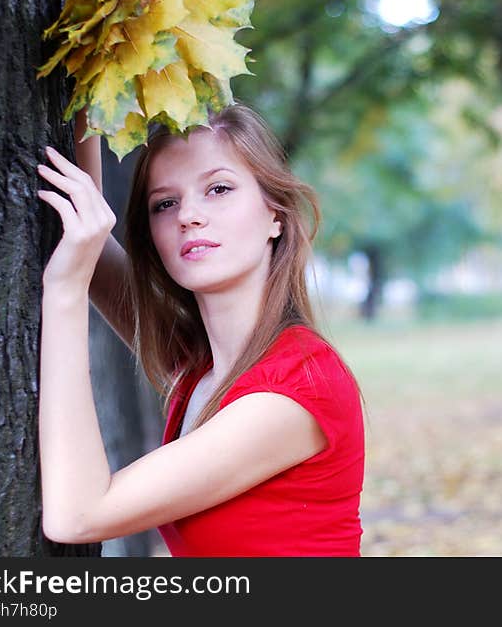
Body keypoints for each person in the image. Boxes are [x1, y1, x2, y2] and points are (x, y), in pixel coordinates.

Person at [35, 103, 365, 556]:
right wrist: (86, 97)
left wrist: (62, 291)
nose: (188, 215)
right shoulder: (200, 365)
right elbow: (89, 250)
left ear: (276, 215)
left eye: (219, 189)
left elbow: (77, 515)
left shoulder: (296, 390)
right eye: (165, 203)